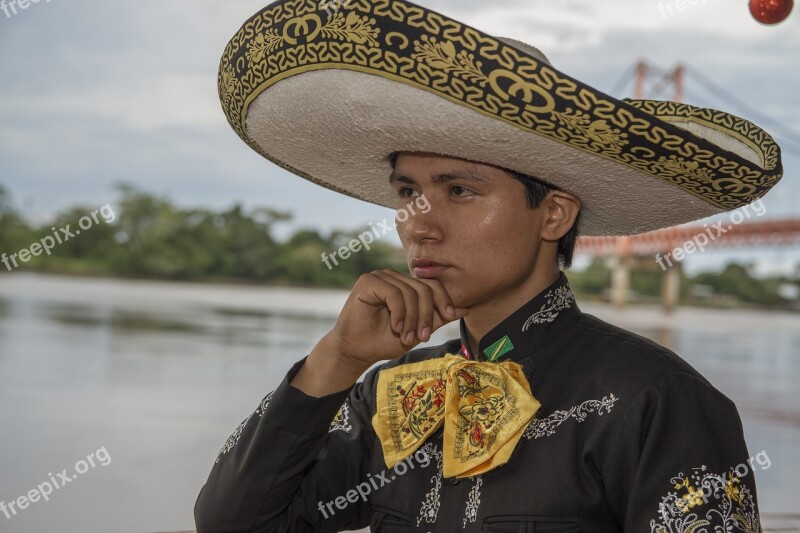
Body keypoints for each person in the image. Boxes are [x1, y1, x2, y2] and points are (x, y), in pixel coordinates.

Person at [196, 0, 782, 530]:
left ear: (553, 215)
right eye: (407, 194)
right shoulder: (388, 394)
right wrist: (337, 358)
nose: (419, 223)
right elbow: (235, 524)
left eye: (459, 191)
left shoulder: (656, 401)